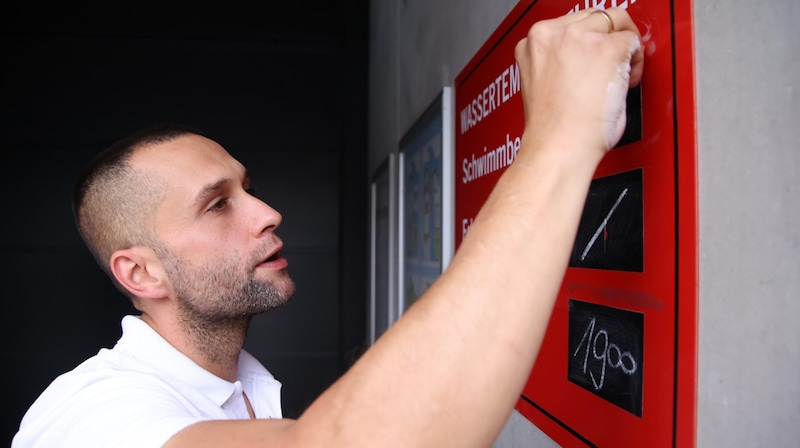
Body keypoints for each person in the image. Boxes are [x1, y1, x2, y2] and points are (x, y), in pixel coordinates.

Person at [13, 7, 643, 448]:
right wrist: (560, 135)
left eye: (248, 189)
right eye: (217, 205)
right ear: (140, 273)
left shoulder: (245, 384)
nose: (267, 213)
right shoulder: (89, 417)